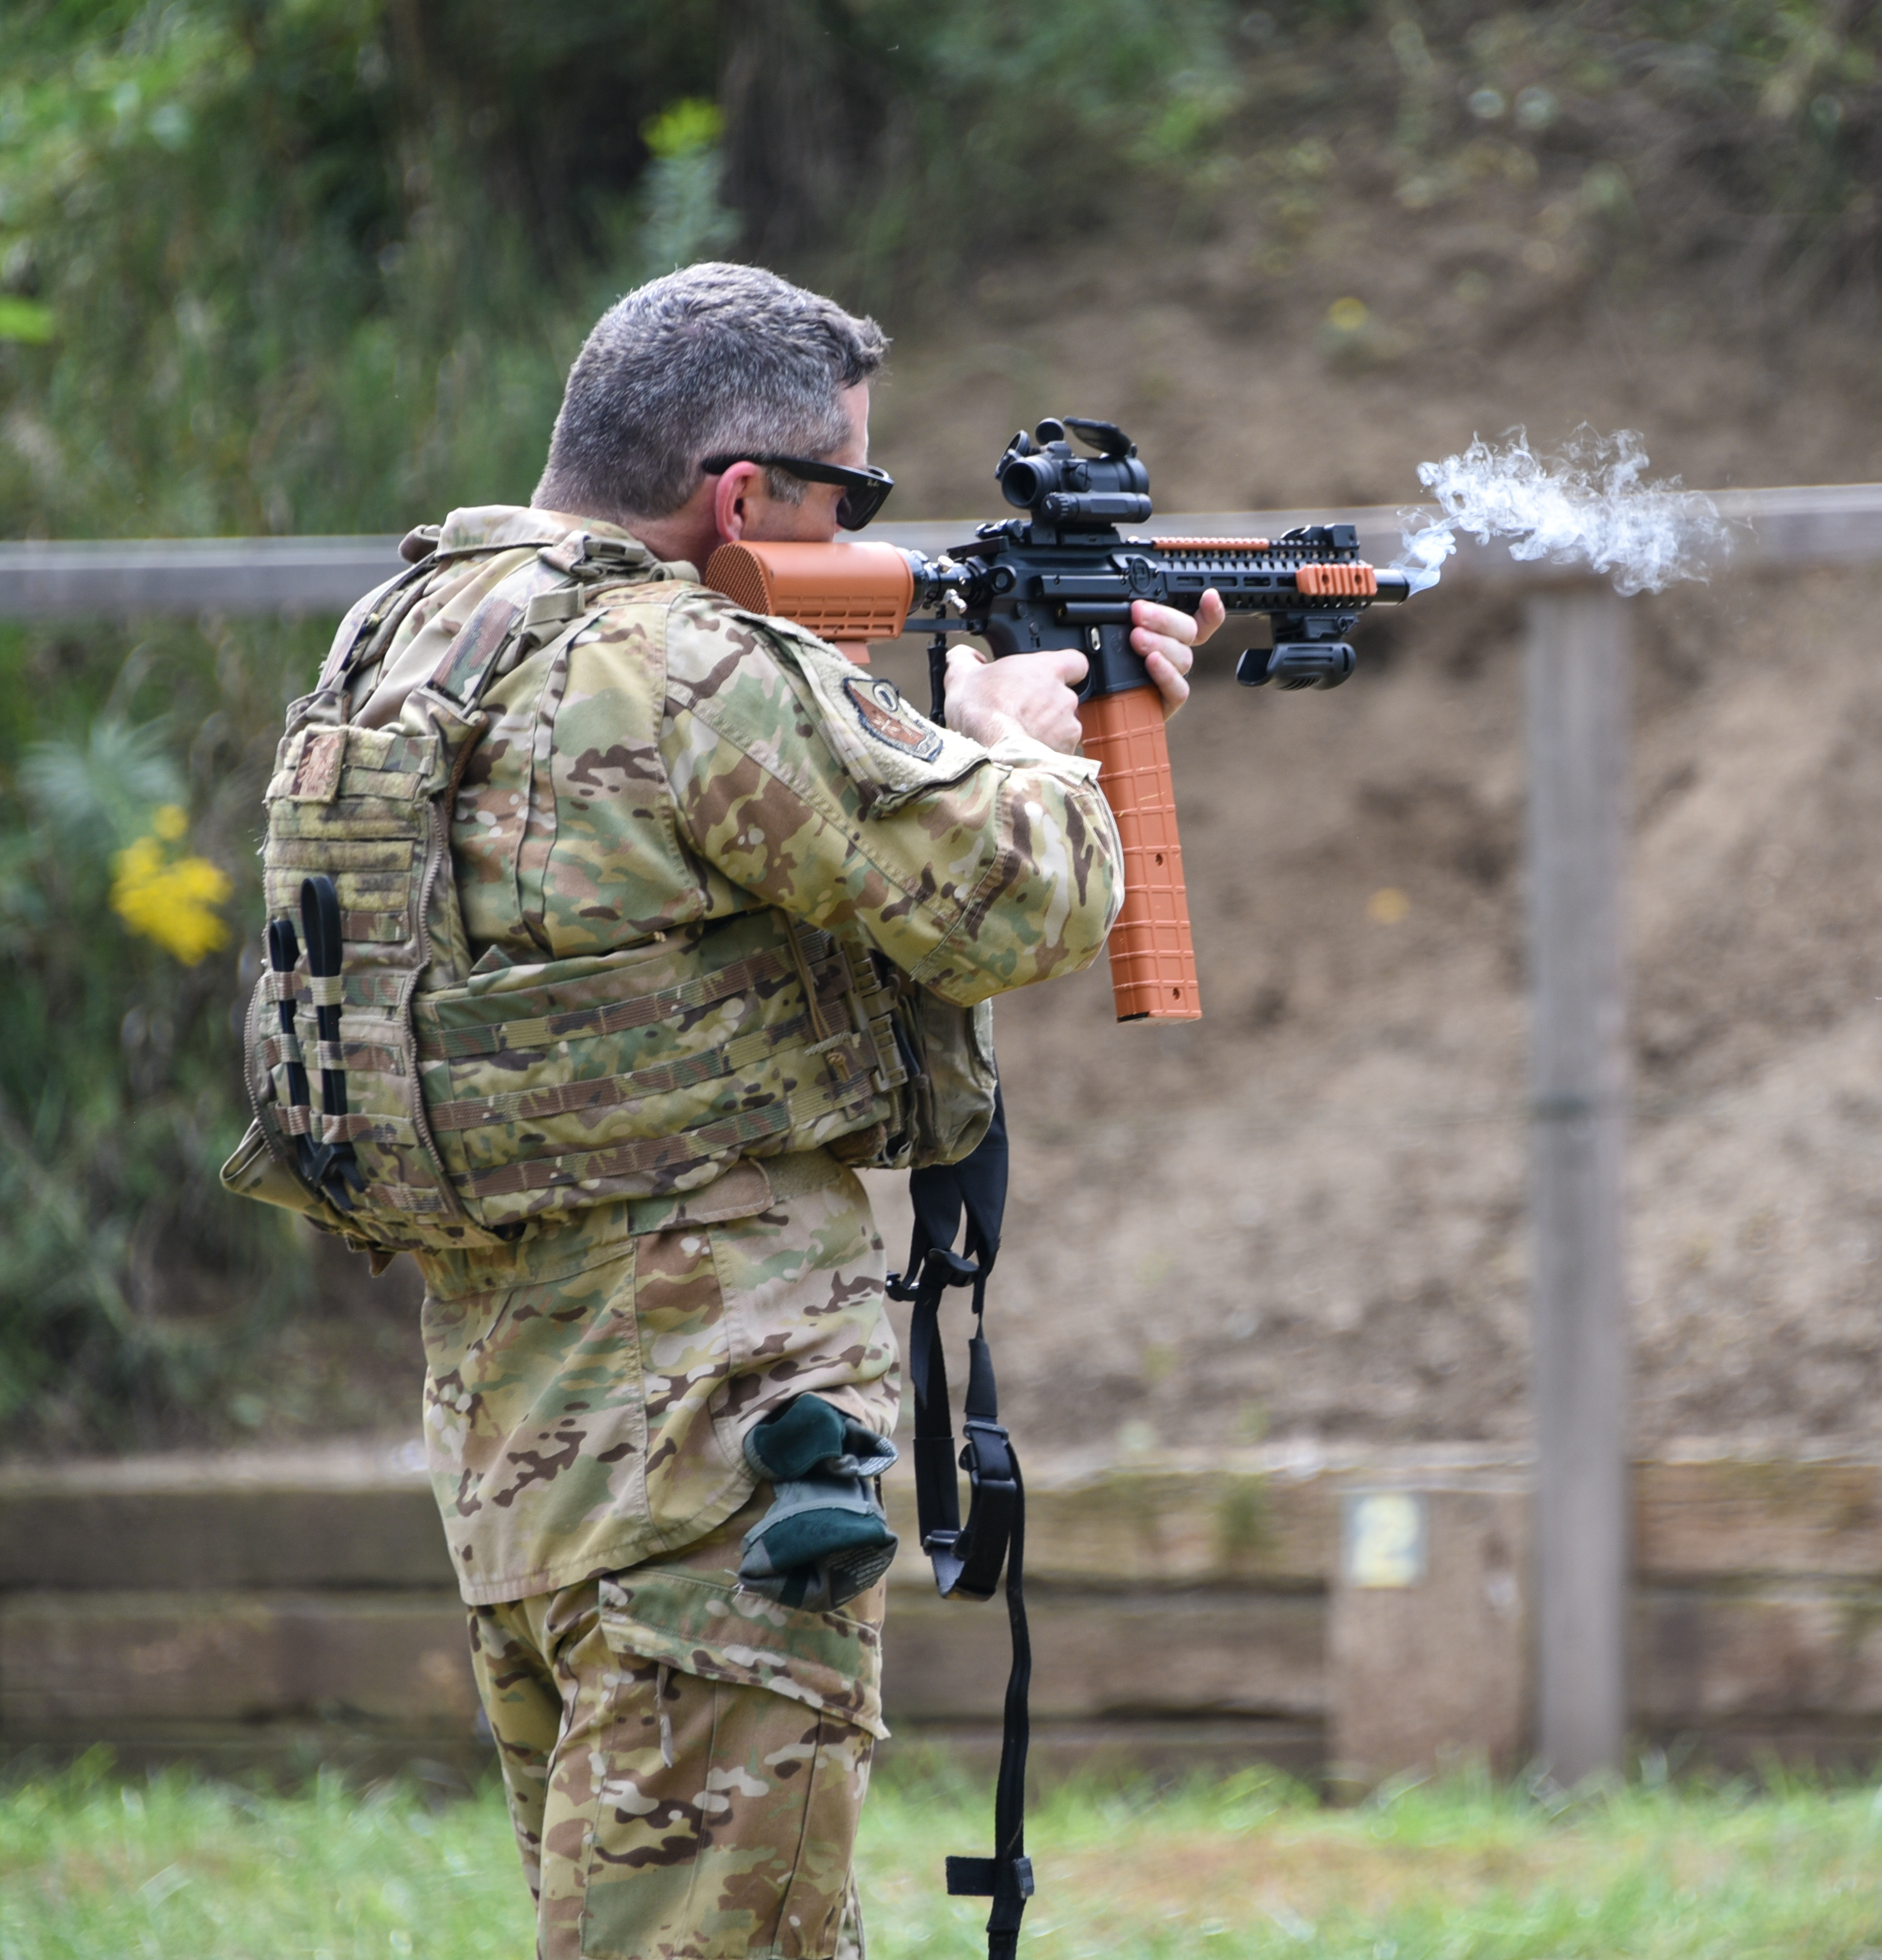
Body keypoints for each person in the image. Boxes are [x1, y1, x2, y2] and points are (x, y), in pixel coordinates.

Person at [328, 262, 1222, 1960]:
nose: (862, 531)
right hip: (713, 1460)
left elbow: (689, 855)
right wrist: (1019, 742)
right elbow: (1022, 899)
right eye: (852, 495)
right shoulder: (692, 668)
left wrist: (927, 722)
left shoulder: (425, 626)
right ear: (743, 497)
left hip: (525, 1455)